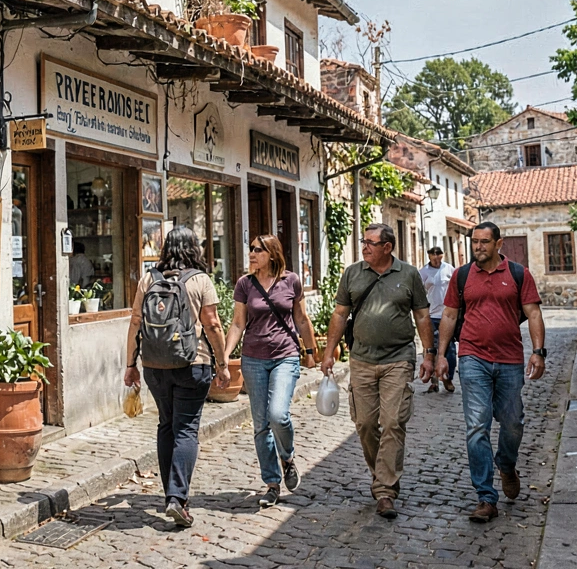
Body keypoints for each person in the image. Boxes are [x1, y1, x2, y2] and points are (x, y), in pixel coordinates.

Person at [434, 222, 546, 523]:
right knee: (476, 426)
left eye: (484, 242)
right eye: (475, 242)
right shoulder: (462, 276)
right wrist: (441, 355)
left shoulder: (518, 274)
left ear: (499, 244)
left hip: (510, 359)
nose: (478, 247)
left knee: (512, 423)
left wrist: (538, 351)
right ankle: (485, 497)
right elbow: (449, 314)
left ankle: (506, 465)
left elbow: (533, 312)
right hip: (473, 358)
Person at [320, 223, 431, 519]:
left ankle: (385, 490)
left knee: (393, 421)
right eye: (363, 241)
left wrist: (430, 354)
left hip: (399, 358)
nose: (364, 247)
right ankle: (380, 474)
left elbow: (421, 315)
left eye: (371, 242)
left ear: (387, 247)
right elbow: (340, 314)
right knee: (366, 424)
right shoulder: (353, 273)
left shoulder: (408, 274)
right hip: (362, 359)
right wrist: (329, 352)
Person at [123, 226, 230, 528]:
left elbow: (134, 323)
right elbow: (213, 325)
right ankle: (177, 498)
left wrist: (130, 363)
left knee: (166, 424)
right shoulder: (200, 280)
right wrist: (222, 364)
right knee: (186, 429)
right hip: (192, 364)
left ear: (166, 248)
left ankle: (169, 494)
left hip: (155, 366)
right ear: (194, 248)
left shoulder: (148, 278)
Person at [225, 234, 319, 508]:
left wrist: (312, 352)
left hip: (285, 356)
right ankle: (272, 483)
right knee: (260, 424)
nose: (252, 254)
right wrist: (225, 355)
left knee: (278, 414)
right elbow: (237, 323)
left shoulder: (291, 281)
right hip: (253, 358)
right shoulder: (245, 284)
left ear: (273, 254)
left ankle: (287, 457)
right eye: (250, 249)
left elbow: (301, 318)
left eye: (258, 250)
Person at [420, 246, 456, 393]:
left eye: (439, 255)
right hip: (432, 315)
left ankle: (448, 378)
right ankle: (434, 381)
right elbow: (420, 293)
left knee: (450, 350)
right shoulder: (423, 272)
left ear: (443, 255)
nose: (436, 258)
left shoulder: (449, 270)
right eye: (433, 255)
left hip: (447, 315)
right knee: (431, 349)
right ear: (428, 256)